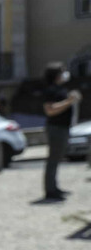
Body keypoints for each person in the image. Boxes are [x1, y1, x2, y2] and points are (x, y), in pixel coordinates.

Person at [42, 62, 82, 201]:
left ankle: (54, 187)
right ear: (56, 75)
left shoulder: (60, 89)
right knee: (53, 160)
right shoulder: (51, 90)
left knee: (57, 159)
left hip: (63, 128)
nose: (65, 73)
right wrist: (69, 101)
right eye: (62, 71)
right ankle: (50, 190)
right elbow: (50, 110)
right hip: (56, 129)